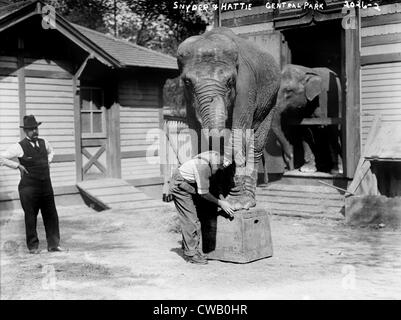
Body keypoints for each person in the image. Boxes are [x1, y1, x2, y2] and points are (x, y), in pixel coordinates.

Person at [0, 115, 64, 254]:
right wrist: (17, 166)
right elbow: (1, 157)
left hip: (46, 186)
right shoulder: (19, 146)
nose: (34, 131)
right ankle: (33, 247)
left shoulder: (44, 142)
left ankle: (53, 245)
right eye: (31, 129)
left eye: (35, 128)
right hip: (28, 188)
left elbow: (52, 152)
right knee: (30, 216)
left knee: (51, 215)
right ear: (25, 131)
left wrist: (48, 161)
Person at [168, 150, 234, 265]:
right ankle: (191, 254)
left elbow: (214, 184)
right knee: (191, 220)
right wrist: (220, 203)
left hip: (190, 183)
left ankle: (189, 245)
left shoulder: (215, 156)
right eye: (220, 167)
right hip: (180, 186)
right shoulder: (203, 168)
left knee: (197, 215)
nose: (221, 169)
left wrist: (222, 199)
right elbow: (204, 193)